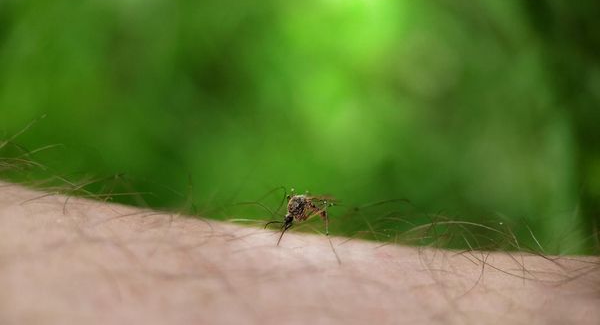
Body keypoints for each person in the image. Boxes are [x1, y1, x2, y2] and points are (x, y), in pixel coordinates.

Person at [0, 182, 598, 324]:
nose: (297, 209)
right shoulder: (293, 207)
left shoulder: (311, 208)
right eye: (297, 209)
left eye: (298, 209)